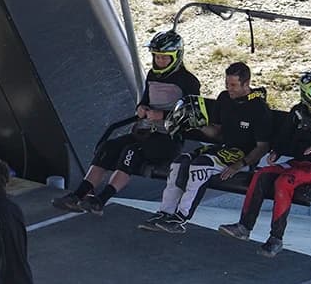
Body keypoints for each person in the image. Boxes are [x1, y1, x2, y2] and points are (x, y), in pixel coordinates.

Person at [53, 29, 200, 215]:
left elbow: (193, 114)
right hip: (147, 132)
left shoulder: (189, 81)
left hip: (168, 139)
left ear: (176, 56)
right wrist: (141, 108)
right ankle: (79, 195)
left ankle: (102, 199)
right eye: (157, 57)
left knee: (131, 152)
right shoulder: (153, 76)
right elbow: (146, 101)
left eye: (164, 58)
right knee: (108, 147)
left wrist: (162, 115)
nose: (160, 61)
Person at [218, 70, 311, 256]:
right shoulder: (297, 113)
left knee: (284, 181)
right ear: (305, 92)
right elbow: (283, 139)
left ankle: (275, 238)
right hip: (298, 165)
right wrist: (276, 152)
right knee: (261, 175)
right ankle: (244, 227)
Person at [138, 61, 272, 233]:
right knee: (180, 162)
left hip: (242, 155)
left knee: (201, 165)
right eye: (227, 84)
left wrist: (239, 165)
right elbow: (216, 133)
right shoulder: (224, 98)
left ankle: (181, 217)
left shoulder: (259, 109)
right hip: (223, 148)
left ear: (246, 84)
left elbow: (262, 146)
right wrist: (198, 123)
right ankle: (165, 213)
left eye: (233, 85)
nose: (229, 88)